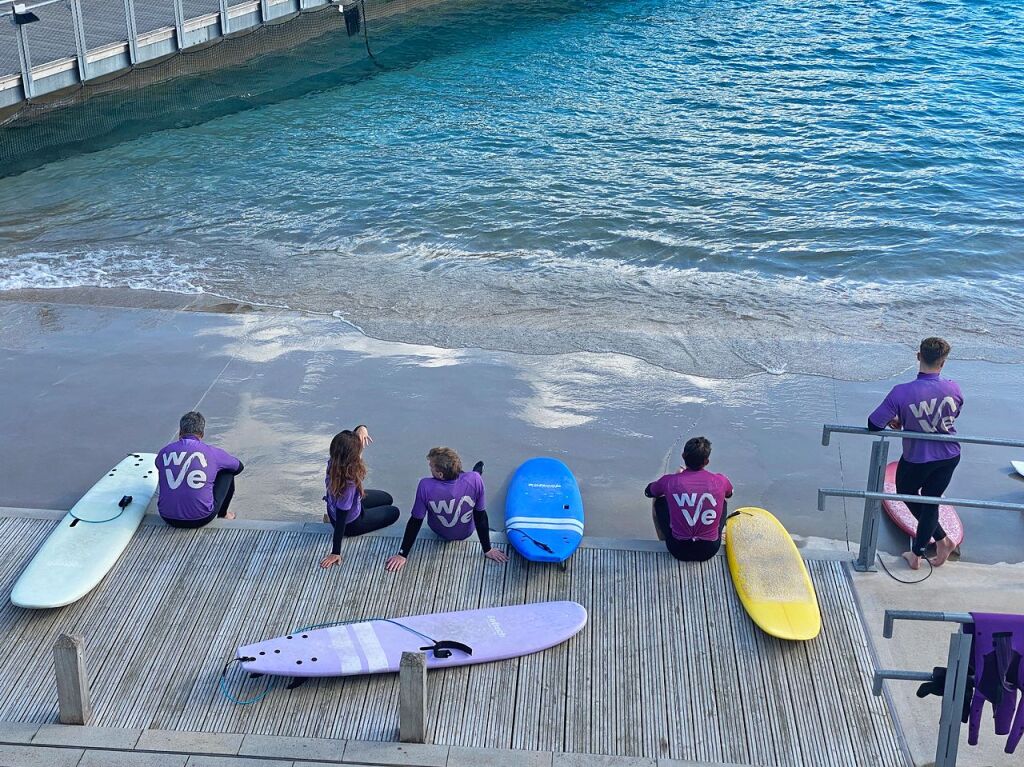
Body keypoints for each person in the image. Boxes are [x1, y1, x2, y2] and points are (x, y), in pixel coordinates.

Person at [868, 337, 964, 570]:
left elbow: (873, 423)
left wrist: (901, 420)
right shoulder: (953, 388)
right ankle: (941, 543)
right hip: (949, 455)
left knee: (908, 493)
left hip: (917, 458)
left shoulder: (901, 392)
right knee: (930, 501)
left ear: (918, 356)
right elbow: (948, 416)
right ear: (943, 362)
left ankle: (918, 555)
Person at [384, 448, 508, 572]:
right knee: (474, 477)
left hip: (439, 532)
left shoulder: (425, 486)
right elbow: (480, 516)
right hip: (466, 533)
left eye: (431, 466)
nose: (430, 468)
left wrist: (402, 554)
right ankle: (469, 475)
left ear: (440, 474)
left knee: (471, 479)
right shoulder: (475, 479)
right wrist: (488, 549)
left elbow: (415, 521)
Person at [320, 425, 400, 569]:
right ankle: (357, 524)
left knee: (387, 498)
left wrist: (361, 428)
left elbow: (353, 438)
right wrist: (335, 552)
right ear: (353, 456)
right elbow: (341, 517)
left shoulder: (335, 461)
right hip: (350, 523)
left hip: (346, 506)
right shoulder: (348, 484)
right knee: (394, 512)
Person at [644, 436, 733, 561]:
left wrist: (675, 479)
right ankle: (716, 531)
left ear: (683, 456)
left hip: (677, 549)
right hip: (709, 549)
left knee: (658, 499)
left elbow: (648, 492)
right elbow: (729, 494)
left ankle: (664, 539)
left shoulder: (669, 481)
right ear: (706, 461)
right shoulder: (720, 480)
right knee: (723, 499)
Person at [156, 411, 243, 528]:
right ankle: (223, 515)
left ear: (180, 432)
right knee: (228, 471)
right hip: (201, 518)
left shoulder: (164, 451)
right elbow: (238, 467)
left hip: (167, 517)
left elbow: (158, 465)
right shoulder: (212, 452)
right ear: (202, 433)